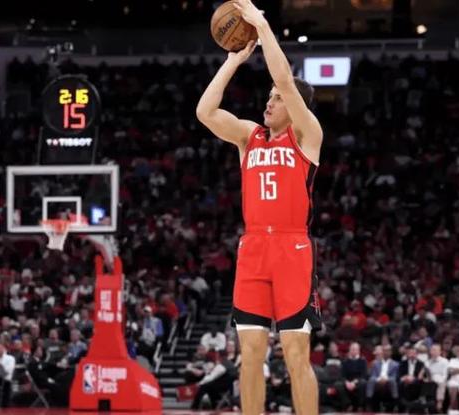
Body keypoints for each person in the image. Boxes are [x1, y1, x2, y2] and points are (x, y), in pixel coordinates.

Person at [196, 0, 323, 413]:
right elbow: (205, 111)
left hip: (292, 249)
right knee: (249, 355)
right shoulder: (248, 136)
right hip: (252, 249)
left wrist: (262, 26)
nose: (269, 103)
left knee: (295, 354)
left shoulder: (307, 135)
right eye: (268, 97)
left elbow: (284, 78)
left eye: (277, 99)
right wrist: (233, 62)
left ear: (295, 106)